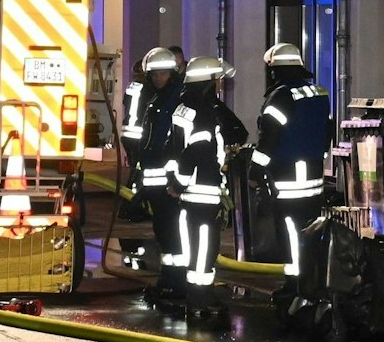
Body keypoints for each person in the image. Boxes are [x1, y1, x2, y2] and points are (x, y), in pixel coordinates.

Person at [169, 56, 248, 322]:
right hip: (203, 193)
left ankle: (198, 298)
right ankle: (201, 301)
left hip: (188, 194)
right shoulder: (203, 113)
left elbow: (174, 151)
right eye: (215, 81)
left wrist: (176, 182)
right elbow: (197, 152)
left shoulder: (182, 108)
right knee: (205, 249)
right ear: (206, 83)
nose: (218, 86)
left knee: (194, 249)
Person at [251, 43, 331, 278]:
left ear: (274, 70)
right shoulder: (319, 92)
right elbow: (327, 129)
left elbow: (269, 138)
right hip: (314, 176)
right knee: (312, 229)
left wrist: (255, 169)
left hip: (288, 179)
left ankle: (296, 284)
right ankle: (313, 279)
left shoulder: (281, 96)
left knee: (290, 232)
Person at [119, 46, 186, 304]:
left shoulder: (175, 99)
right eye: (155, 75)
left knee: (172, 234)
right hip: (155, 181)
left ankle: (176, 283)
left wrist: (175, 180)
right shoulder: (157, 99)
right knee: (164, 234)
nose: (159, 79)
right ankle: (169, 280)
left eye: (163, 74)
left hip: (169, 183)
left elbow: (172, 143)